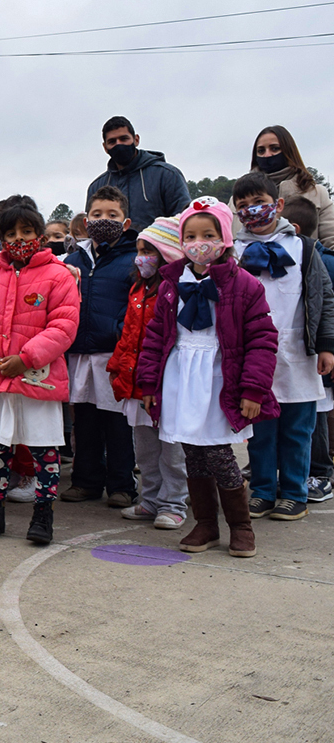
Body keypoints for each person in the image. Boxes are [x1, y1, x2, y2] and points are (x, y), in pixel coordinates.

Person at [136, 199, 277, 558]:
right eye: (191, 236)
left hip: (218, 378)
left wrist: (253, 389)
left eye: (208, 235)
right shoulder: (172, 283)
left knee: (218, 453)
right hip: (181, 376)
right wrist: (149, 383)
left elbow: (262, 339)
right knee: (192, 453)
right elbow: (156, 336)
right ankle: (206, 524)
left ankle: (241, 526)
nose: (199, 243)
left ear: (224, 238)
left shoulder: (245, 285)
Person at [0, 196, 80, 545]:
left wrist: (26, 358)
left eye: (27, 231)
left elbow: (63, 326)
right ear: (0, 238)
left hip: (38, 380)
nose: (19, 238)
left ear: (40, 235)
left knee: (45, 450)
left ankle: (43, 515)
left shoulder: (58, 276)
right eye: (11, 233)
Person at [231, 173, 334, 521]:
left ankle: (294, 493)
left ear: (277, 204)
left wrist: (326, 346)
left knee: (297, 430)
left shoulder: (305, 248)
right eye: (243, 205)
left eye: (258, 202)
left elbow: (324, 298)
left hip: (299, 355)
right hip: (254, 358)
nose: (252, 210)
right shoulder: (234, 253)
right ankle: (262, 490)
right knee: (259, 430)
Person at [106, 216, 188, 529]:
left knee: (172, 450)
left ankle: (173, 503)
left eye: (148, 251)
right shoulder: (138, 289)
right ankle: (151, 500)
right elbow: (129, 333)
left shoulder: (178, 290)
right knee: (146, 448)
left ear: (167, 253)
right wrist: (117, 366)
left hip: (166, 383)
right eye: (139, 250)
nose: (140, 257)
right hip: (137, 382)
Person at [62, 185, 140, 508]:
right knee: (85, 420)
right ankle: (85, 481)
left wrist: (120, 334)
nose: (104, 220)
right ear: (86, 220)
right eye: (97, 214)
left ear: (126, 222)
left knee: (117, 422)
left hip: (114, 354)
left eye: (112, 215)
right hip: (80, 353)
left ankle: (122, 484)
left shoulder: (135, 259)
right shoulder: (72, 260)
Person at [281, 196, 334, 503]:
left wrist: (327, 345)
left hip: (317, 351)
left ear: (294, 228)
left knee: (315, 417)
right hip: (305, 351)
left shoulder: (319, 260)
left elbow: (326, 305)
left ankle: (320, 473)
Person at [86, 116, 191, 231]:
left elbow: (184, 221)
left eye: (124, 139)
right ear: (105, 147)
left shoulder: (167, 175)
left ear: (136, 140)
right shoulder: (97, 186)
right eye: (112, 142)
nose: (118, 144)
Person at [249, 125, 334, 248]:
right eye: (261, 151)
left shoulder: (317, 193)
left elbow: (331, 243)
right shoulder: (237, 199)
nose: (267, 155)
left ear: (288, 151)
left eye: (274, 148)